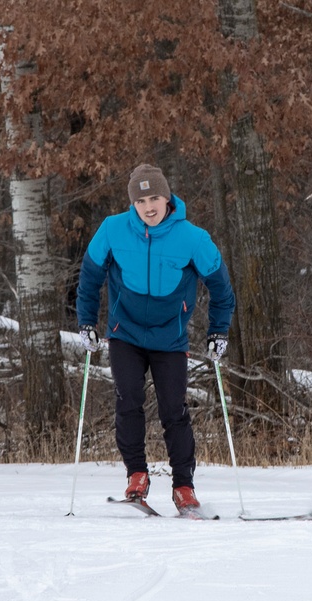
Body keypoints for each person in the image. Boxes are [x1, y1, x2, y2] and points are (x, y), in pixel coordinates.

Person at [76, 163, 235, 515]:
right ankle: (136, 475)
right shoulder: (112, 230)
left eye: (155, 198)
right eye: (141, 200)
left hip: (170, 337)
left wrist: (218, 330)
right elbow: (89, 278)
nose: (149, 207)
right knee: (128, 399)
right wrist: (86, 322)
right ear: (132, 203)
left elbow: (222, 288)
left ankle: (183, 487)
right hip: (125, 333)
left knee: (173, 410)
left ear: (167, 198)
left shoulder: (193, 238)